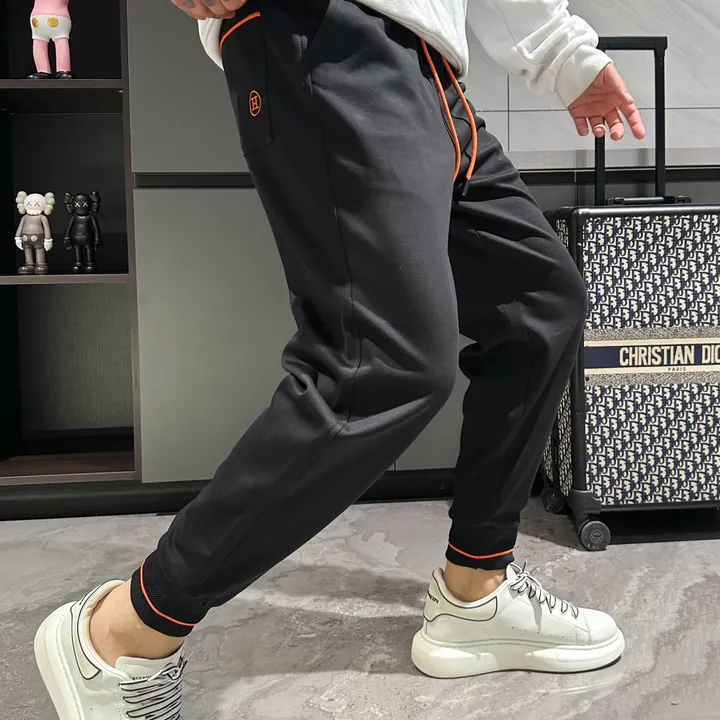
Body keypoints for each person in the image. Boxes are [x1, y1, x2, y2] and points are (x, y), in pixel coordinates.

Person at [34, 0, 647, 717]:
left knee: (538, 304)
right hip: (320, 33)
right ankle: (121, 633)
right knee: (379, 368)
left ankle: (476, 591)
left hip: (431, 68)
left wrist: (565, 54)